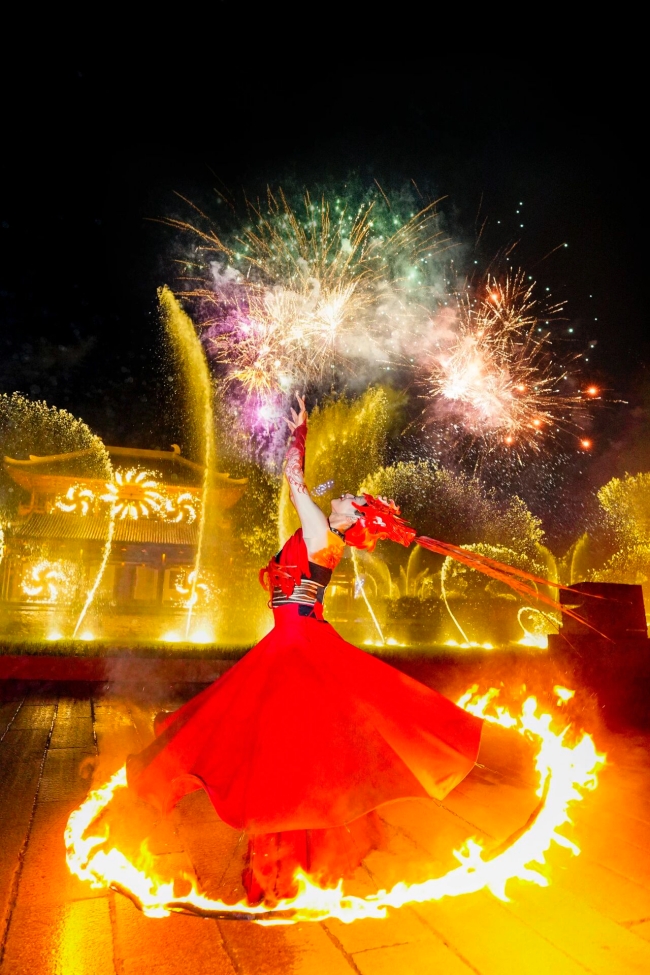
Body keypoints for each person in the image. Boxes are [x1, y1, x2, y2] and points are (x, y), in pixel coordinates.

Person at [127, 395, 482, 905]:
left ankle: (281, 868)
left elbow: (294, 482)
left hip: (295, 644)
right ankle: (290, 864)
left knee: (278, 749)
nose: (346, 495)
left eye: (353, 499)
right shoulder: (327, 539)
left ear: (353, 517)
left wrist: (300, 434)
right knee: (292, 750)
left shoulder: (321, 531)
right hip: (298, 639)